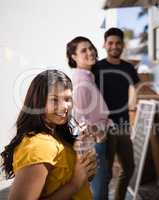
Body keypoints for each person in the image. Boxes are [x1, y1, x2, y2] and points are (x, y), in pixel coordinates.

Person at [1, 70, 96, 200]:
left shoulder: (57, 134)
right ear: (37, 102)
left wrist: (85, 162)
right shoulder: (38, 146)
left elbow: (75, 178)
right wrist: (74, 184)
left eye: (68, 99)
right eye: (54, 100)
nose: (64, 107)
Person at [92, 27, 140, 200]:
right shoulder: (97, 68)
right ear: (105, 45)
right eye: (110, 42)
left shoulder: (128, 68)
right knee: (106, 173)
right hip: (104, 128)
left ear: (123, 46)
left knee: (129, 168)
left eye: (118, 43)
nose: (114, 46)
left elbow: (139, 88)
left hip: (123, 126)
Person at [66, 36, 111, 200]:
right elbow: (78, 119)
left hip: (96, 140)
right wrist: (97, 136)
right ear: (74, 57)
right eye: (83, 50)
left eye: (91, 48)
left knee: (98, 188)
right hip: (92, 144)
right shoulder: (80, 80)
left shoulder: (87, 76)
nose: (90, 52)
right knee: (98, 192)